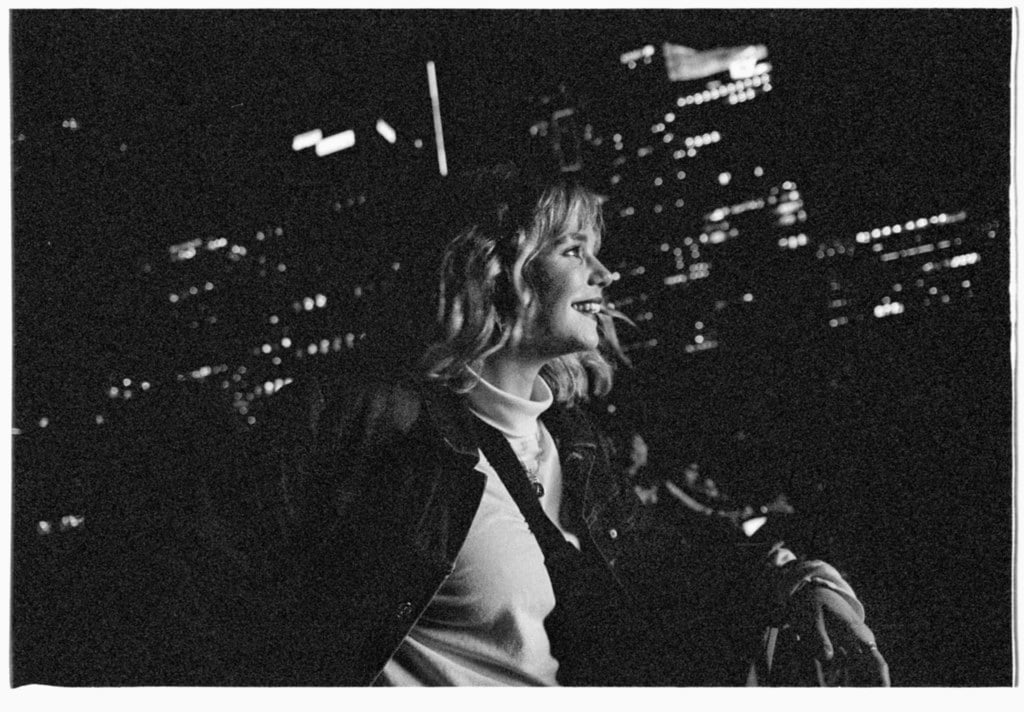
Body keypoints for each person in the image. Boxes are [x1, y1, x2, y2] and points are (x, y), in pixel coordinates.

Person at [239, 165, 890, 687]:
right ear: (497, 271)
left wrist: (799, 580)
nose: (603, 274)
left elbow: (666, 562)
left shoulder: (569, 442)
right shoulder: (365, 419)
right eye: (575, 251)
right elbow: (227, 600)